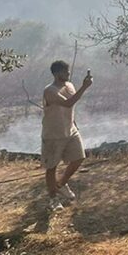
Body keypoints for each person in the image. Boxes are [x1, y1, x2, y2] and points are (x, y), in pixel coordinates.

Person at [41, 60, 92, 211]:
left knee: (79, 158)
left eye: (68, 71)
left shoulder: (69, 86)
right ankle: (53, 199)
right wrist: (85, 87)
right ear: (57, 74)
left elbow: (71, 108)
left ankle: (61, 184)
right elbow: (68, 103)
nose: (68, 74)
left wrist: (75, 124)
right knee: (51, 167)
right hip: (53, 134)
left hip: (70, 131)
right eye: (65, 72)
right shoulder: (50, 90)